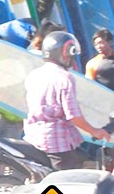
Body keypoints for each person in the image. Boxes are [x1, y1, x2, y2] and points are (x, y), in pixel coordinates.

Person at [24, 31, 111, 170]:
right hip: (57, 142)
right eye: (72, 55)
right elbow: (73, 116)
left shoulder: (35, 74)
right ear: (64, 53)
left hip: (33, 136)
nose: (72, 60)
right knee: (66, 183)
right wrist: (95, 131)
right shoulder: (64, 78)